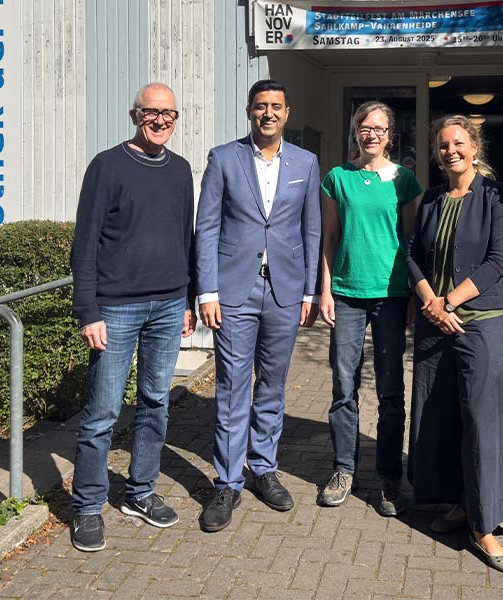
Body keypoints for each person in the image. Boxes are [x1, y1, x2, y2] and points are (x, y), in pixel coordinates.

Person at [68, 82, 197, 552]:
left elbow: (187, 240)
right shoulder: (107, 166)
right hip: (116, 309)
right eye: (151, 112)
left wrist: (187, 299)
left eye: (169, 114)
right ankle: (86, 506)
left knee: (155, 404)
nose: (160, 120)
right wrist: (89, 311)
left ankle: (139, 493)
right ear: (134, 114)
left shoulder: (181, 169)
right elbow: (84, 246)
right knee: (102, 413)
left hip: (168, 305)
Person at [194, 79, 321, 532]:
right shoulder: (224, 158)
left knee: (273, 383)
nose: (269, 113)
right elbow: (206, 227)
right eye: (261, 106)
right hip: (234, 292)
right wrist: (206, 291)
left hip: (284, 292)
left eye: (276, 107)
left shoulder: (306, 162)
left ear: (287, 113)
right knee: (232, 386)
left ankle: (263, 468)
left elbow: (311, 231)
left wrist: (308, 292)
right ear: (249, 111)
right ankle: (227, 481)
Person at [406, 115, 503, 573]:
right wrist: (430, 303)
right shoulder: (434, 198)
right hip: (435, 325)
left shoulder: (497, 195)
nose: (450, 150)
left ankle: (486, 524)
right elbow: (413, 254)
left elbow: (501, 259)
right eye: (442, 145)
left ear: (475, 147)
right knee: (440, 418)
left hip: (480, 325)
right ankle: (460, 502)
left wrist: (450, 302)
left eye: (458, 143)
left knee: (482, 421)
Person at [317, 101, 422, 515]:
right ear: (356, 131)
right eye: (365, 127)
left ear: (390, 135)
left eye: (379, 128)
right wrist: (325, 290)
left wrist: (415, 292)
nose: (372, 134)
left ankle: (388, 476)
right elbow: (329, 237)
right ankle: (344, 469)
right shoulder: (337, 178)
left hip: (392, 295)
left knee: (391, 388)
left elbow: (412, 242)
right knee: (344, 387)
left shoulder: (404, 180)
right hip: (345, 293)